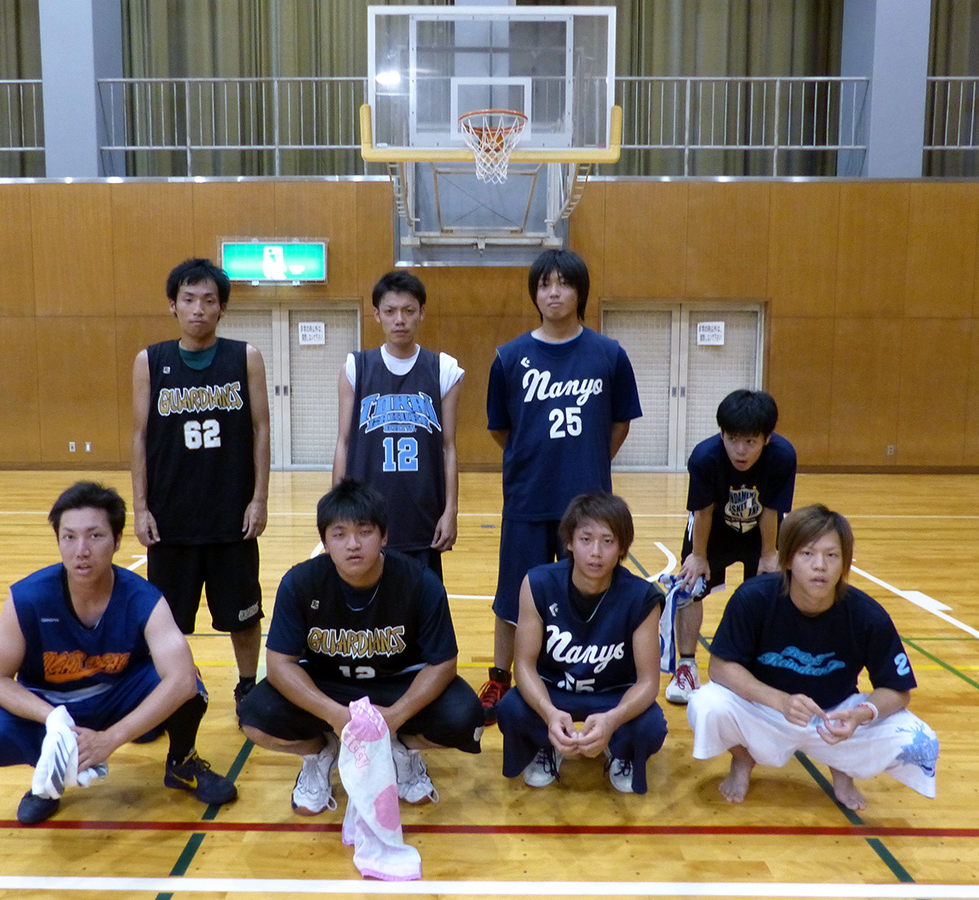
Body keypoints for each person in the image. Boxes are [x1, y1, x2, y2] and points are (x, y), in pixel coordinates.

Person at [0, 482, 238, 825]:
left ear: (117, 540)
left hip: (117, 698)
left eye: (95, 536)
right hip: (53, 703)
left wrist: (109, 740)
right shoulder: (28, 598)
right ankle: (49, 777)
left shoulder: (143, 598)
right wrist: (53, 719)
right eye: (69, 537)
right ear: (58, 540)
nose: (81, 550)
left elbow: (181, 680)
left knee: (190, 680)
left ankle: (182, 762)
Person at [237, 479, 482, 815]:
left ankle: (403, 751)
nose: (353, 544)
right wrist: (333, 715)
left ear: (384, 536)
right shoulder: (300, 583)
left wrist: (395, 717)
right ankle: (319, 753)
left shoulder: (419, 582)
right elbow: (280, 664)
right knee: (254, 716)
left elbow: (443, 663)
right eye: (339, 534)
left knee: (465, 716)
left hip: (396, 683)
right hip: (328, 685)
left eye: (364, 532)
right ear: (324, 541)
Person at [686, 504, 939, 809]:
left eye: (831, 555)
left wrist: (859, 715)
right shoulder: (754, 598)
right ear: (787, 559)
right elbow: (720, 668)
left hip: (834, 717)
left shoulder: (867, 615)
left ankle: (843, 768)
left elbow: (898, 691)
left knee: (920, 740)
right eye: (807, 554)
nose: (820, 565)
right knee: (706, 705)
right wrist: (780, 701)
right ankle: (743, 759)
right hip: (766, 711)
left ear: (844, 562)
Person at [481, 248, 642, 725]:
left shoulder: (608, 355)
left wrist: (586, 461)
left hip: (589, 504)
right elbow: (501, 430)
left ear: (580, 293)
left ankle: (580, 675)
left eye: (564, 283)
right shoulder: (509, 358)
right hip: (528, 497)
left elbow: (619, 424)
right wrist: (535, 459)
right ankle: (500, 676)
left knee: (587, 591)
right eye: (545, 284)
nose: (554, 292)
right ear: (535, 294)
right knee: (514, 593)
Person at [131, 258, 272, 713]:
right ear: (172, 305)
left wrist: (259, 498)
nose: (198, 309)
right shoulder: (150, 361)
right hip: (171, 517)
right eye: (188, 299)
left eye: (208, 300)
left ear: (222, 307)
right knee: (167, 619)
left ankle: (247, 686)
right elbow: (139, 436)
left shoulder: (245, 357)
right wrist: (140, 507)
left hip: (232, 513)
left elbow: (261, 429)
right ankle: (176, 688)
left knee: (243, 614)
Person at [497, 493, 667, 794]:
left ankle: (619, 749)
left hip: (612, 696)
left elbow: (648, 683)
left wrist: (613, 719)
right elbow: (523, 665)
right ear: (569, 542)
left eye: (608, 541)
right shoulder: (538, 584)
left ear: (622, 548)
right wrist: (548, 713)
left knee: (651, 726)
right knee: (511, 708)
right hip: (555, 691)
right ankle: (547, 743)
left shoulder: (642, 596)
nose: (596, 552)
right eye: (586, 539)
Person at [666, 389, 796, 704]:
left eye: (750, 441)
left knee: (771, 589)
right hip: (714, 529)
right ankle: (686, 667)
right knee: (690, 585)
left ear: (767, 438)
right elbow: (702, 511)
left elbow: (771, 508)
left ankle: (759, 665)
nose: (740, 450)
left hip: (761, 530)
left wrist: (769, 554)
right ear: (721, 434)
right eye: (732, 439)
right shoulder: (705, 457)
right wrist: (698, 556)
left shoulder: (782, 456)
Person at [332, 270, 463, 579]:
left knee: (422, 602)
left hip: (423, 516)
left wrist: (451, 511)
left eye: (408, 310)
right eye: (390, 311)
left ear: (422, 313)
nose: (399, 320)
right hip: (366, 516)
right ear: (377, 315)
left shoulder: (444, 369)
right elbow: (344, 442)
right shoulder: (356, 368)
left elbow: (448, 447)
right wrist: (336, 510)